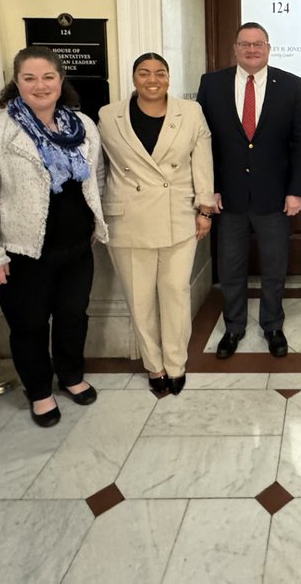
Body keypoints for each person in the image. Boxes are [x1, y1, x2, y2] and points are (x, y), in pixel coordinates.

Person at [0, 46, 108, 427]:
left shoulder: (83, 125)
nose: (40, 85)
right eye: (29, 78)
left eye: (48, 77)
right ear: (17, 82)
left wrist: (94, 222)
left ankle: (71, 377)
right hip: (22, 251)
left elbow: (97, 177)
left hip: (76, 247)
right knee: (29, 326)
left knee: (73, 316)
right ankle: (40, 392)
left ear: (61, 81)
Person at [99, 52, 214, 396]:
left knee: (175, 295)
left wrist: (205, 208)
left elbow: (202, 158)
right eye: (144, 73)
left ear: (169, 77)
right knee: (139, 300)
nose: (153, 80)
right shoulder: (108, 116)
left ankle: (176, 363)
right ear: (133, 78)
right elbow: (98, 168)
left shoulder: (190, 112)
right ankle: (154, 365)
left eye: (160, 73)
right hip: (128, 219)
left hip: (177, 216)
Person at [196, 22, 301, 360]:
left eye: (257, 44)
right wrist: (209, 189)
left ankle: (273, 326)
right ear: (235, 48)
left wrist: (296, 191)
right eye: (244, 44)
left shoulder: (290, 85)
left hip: (274, 197)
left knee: (274, 268)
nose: (251, 49)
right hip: (227, 198)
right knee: (231, 268)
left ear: (268, 47)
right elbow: (202, 141)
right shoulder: (212, 84)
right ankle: (233, 327)